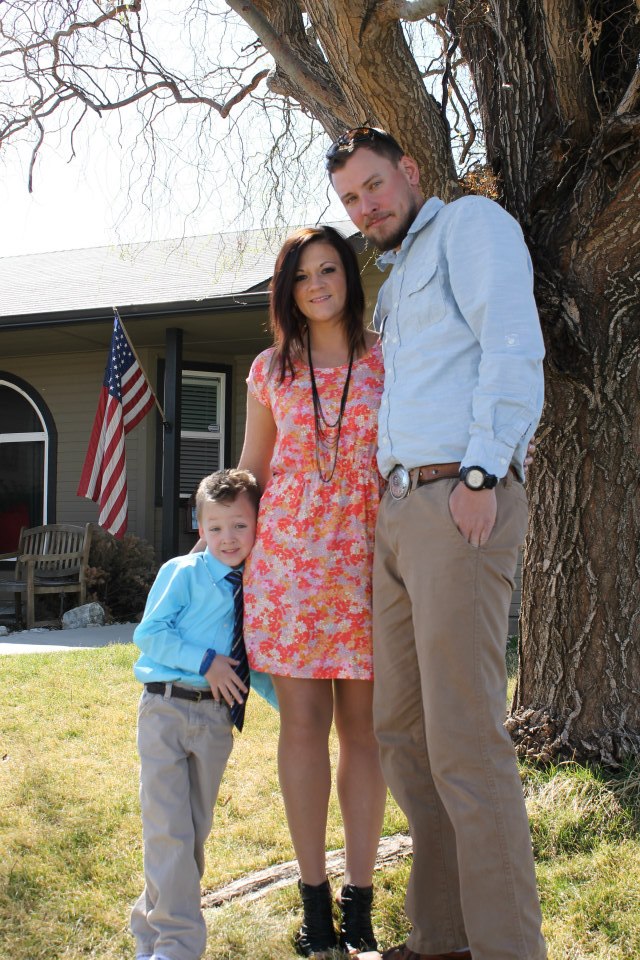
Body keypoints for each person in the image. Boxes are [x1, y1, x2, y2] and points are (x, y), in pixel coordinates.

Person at [326, 127, 547, 960]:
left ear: (410, 172)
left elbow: (512, 346)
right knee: (403, 735)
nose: (365, 206)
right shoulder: (396, 277)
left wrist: (483, 474)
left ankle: (506, 948)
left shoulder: (470, 227)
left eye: (374, 186)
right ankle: (444, 938)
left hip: (460, 498)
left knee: (465, 739)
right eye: (350, 199)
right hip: (398, 511)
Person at [238, 225, 388, 957]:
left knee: (364, 732)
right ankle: (314, 906)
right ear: (287, 291)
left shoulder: (389, 358)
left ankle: (360, 903)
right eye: (302, 276)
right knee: (302, 729)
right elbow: (253, 469)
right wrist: (217, 539)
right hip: (289, 569)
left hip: (370, 565)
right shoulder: (271, 369)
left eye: (329, 269)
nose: (318, 284)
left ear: (349, 277)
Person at [130, 468, 259, 960]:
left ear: (257, 525)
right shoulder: (182, 573)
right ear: (200, 528)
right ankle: (179, 947)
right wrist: (205, 661)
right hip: (166, 709)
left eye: (240, 525)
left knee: (189, 835)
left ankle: (150, 933)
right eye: (216, 527)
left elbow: (257, 661)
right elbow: (149, 634)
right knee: (168, 830)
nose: (228, 538)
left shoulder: (256, 585)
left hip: (215, 722)